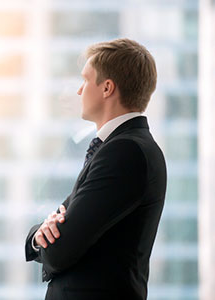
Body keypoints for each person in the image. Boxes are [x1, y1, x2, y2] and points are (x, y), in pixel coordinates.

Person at [25, 38, 167, 300]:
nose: (79, 91)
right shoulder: (120, 147)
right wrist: (39, 235)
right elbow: (61, 224)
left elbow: (60, 251)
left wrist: (45, 240)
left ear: (107, 88)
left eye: (86, 80)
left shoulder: (124, 152)